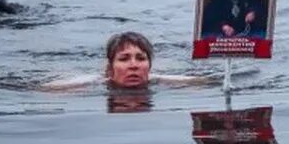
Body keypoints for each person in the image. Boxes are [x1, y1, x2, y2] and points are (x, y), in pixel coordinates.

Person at [42, 31, 212, 91]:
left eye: (141, 58)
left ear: (149, 66)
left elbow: (203, 82)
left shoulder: (155, 79)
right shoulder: (99, 82)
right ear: (110, 68)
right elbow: (49, 89)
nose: (134, 65)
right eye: (124, 59)